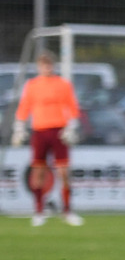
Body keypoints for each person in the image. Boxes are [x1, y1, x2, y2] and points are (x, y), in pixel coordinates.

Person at [11, 50, 84, 227]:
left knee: (63, 172)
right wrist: (19, 127)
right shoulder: (32, 85)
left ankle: (67, 210)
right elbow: (24, 107)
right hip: (40, 131)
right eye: (43, 65)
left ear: (53, 66)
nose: (46, 68)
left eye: (49, 65)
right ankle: (39, 211)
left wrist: (72, 126)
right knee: (38, 171)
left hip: (59, 131)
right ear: (39, 67)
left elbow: (72, 107)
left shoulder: (63, 84)